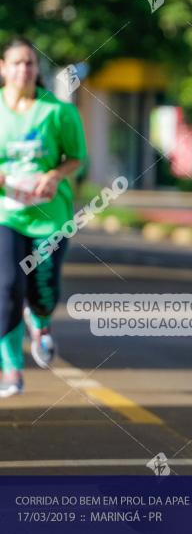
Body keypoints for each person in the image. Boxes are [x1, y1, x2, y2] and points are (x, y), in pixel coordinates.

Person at [0, 37, 87, 396]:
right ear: (3, 67)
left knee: (43, 291)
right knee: (6, 289)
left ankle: (42, 321)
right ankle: (11, 371)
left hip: (50, 217)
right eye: (17, 62)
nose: (24, 69)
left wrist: (53, 176)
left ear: (37, 69)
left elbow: (76, 157)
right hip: (6, 214)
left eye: (31, 63)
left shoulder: (58, 111)